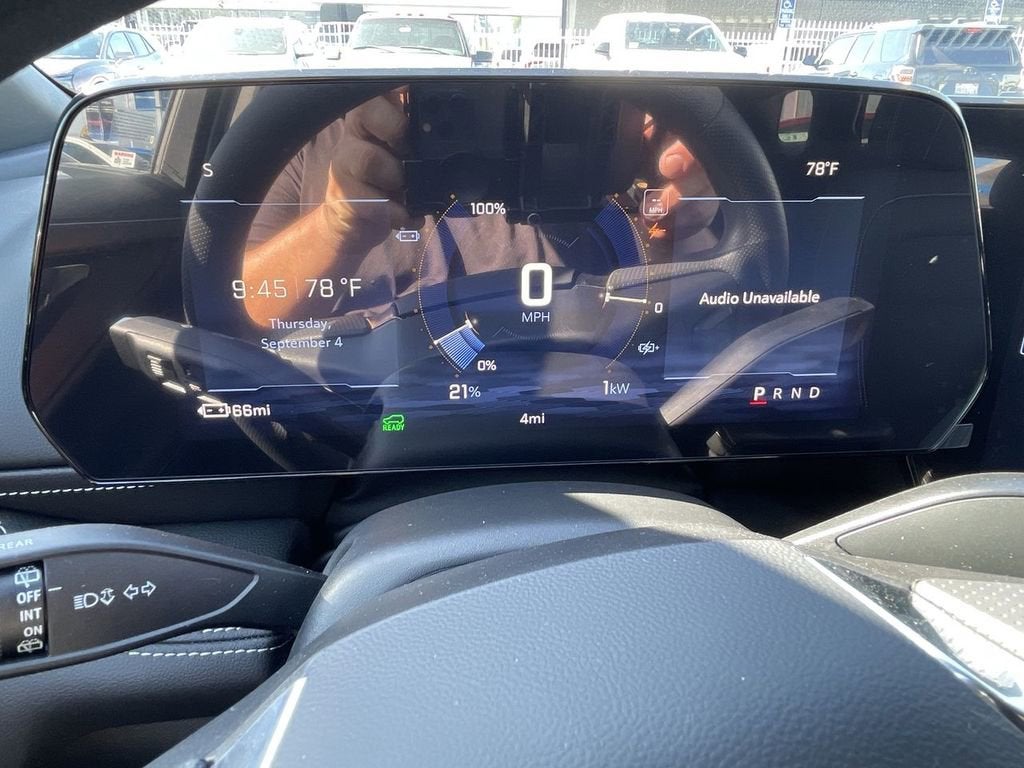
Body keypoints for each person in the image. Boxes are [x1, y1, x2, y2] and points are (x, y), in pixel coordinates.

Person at [242, 88, 717, 328]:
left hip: (593, 398)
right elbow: (247, 310)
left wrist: (678, 230)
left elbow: (706, 316)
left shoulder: (619, 128)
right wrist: (335, 226)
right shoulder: (320, 132)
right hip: (365, 418)